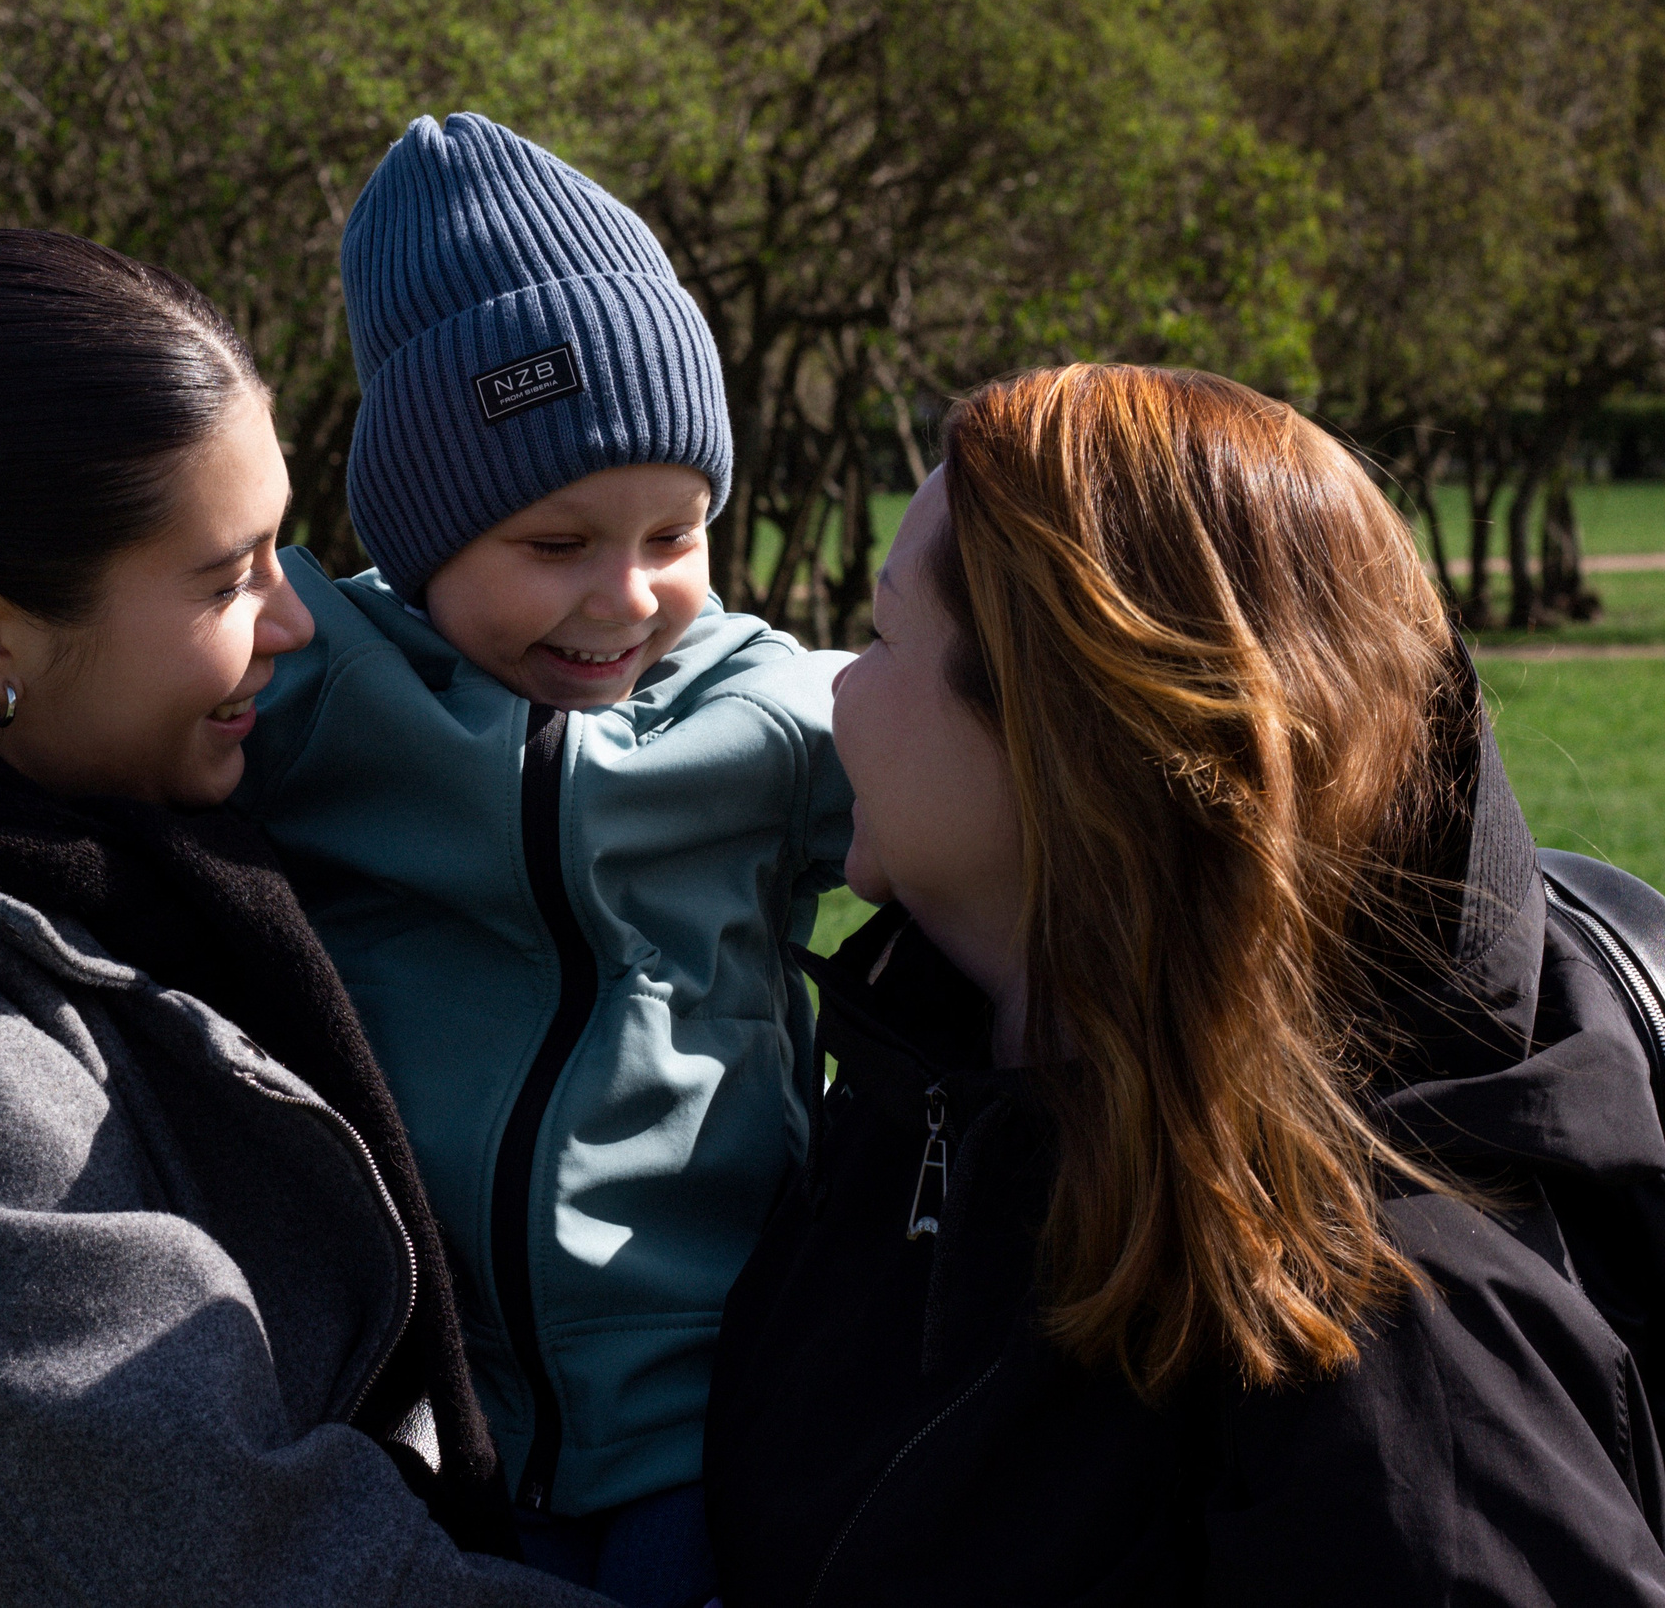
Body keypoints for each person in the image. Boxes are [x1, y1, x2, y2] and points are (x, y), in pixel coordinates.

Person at [0, 229, 613, 1608]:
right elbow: (270, 1571)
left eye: (279, 549)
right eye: (225, 577)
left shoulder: (143, 863)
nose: (292, 621)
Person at [705, 363, 1665, 1606]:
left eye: (885, 634)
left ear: (1066, 742)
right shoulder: (911, 1108)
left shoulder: (1390, 1347)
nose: (836, 684)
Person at [229, 114, 856, 1608]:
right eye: (556, 539)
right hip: (423, 1416)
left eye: (675, 528)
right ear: (423, 534)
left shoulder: (766, 711)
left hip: (713, 1416)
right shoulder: (319, 692)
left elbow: (1009, 789)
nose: (625, 593)